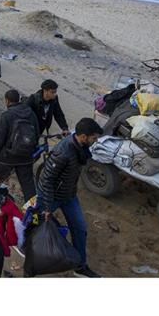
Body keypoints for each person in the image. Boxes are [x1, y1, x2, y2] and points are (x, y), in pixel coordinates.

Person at [36, 117, 103, 277]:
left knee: (80, 229)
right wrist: (46, 206)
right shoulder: (63, 152)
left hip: (69, 196)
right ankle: (25, 244)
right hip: (50, 197)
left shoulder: (81, 148)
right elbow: (47, 179)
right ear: (84, 137)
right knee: (35, 221)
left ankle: (80, 267)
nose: (96, 141)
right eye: (94, 138)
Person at [0, 89, 40, 201]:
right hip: (26, 157)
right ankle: (33, 214)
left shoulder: (7, 115)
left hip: (8, 157)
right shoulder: (31, 114)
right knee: (29, 187)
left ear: (7, 101)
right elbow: (37, 134)